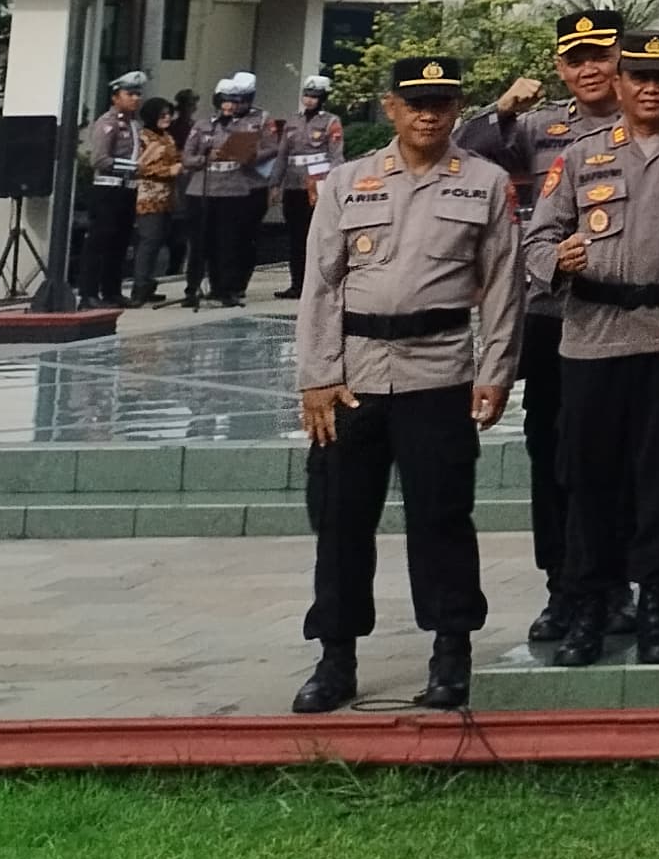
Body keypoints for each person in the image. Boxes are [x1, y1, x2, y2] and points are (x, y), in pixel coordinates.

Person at [292, 54, 522, 715]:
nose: (429, 113)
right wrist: (316, 378)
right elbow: (321, 285)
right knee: (340, 522)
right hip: (354, 379)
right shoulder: (348, 182)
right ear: (391, 107)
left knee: (442, 519)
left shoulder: (484, 183)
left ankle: (451, 653)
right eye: (416, 101)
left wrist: (497, 370)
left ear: (456, 108)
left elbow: (504, 286)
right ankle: (335, 657)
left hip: (439, 371)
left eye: (442, 101)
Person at [527, 25, 659, 667]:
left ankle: (657, 606)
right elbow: (534, 240)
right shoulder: (581, 155)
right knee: (588, 479)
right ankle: (589, 606)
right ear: (619, 83)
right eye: (640, 76)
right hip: (591, 338)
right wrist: (555, 259)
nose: (652, 87)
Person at [467, 10, 620, 651]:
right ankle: (562, 584)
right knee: (552, 455)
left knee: (624, 458)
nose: (588, 69)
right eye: (575, 59)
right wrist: (499, 108)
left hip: (627, 318)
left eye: (599, 57)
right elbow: (463, 153)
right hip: (552, 313)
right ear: (560, 67)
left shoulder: (644, 118)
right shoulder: (536, 127)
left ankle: (617, 583)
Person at [181, 72, 275, 307]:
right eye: (225, 101)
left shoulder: (246, 125)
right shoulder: (203, 125)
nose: (230, 106)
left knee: (229, 242)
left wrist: (248, 156)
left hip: (233, 189)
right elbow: (186, 157)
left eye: (234, 101)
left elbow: (264, 150)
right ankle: (192, 288)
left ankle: (225, 288)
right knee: (201, 242)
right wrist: (204, 157)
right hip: (203, 189)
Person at [77, 71, 153, 305]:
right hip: (107, 189)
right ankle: (89, 293)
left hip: (128, 189)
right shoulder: (107, 123)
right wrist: (133, 166)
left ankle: (112, 290)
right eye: (129, 94)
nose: (135, 98)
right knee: (100, 241)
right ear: (115, 97)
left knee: (120, 242)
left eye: (138, 94)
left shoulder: (134, 125)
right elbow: (99, 159)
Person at [276, 72, 346, 299]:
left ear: (322, 98)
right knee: (295, 237)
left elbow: (336, 156)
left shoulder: (330, 122)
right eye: (306, 95)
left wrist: (332, 185)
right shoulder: (292, 121)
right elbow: (282, 155)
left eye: (314, 96)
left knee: (316, 236)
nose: (309, 100)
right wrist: (275, 183)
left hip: (316, 185)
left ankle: (316, 284)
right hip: (293, 184)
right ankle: (296, 283)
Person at [128, 100, 181, 307]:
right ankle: (139, 286)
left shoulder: (167, 137)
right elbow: (138, 167)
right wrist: (167, 171)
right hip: (148, 197)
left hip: (167, 198)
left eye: (169, 114)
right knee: (149, 241)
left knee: (159, 241)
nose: (167, 118)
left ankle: (149, 283)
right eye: (162, 114)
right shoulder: (143, 137)